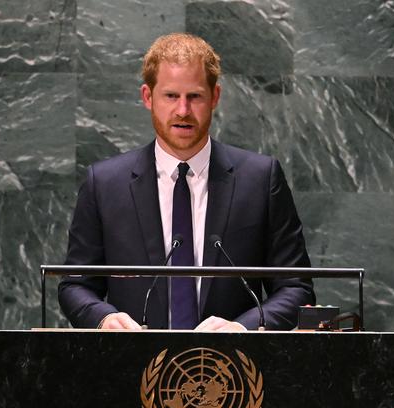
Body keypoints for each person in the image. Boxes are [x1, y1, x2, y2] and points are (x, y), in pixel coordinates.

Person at [58, 33, 314, 331]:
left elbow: (297, 289)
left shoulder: (260, 179)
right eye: (170, 96)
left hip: (233, 369)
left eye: (194, 96)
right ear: (147, 97)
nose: (182, 110)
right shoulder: (104, 184)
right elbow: (75, 285)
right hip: (130, 365)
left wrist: (242, 328)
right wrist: (103, 318)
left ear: (214, 97)